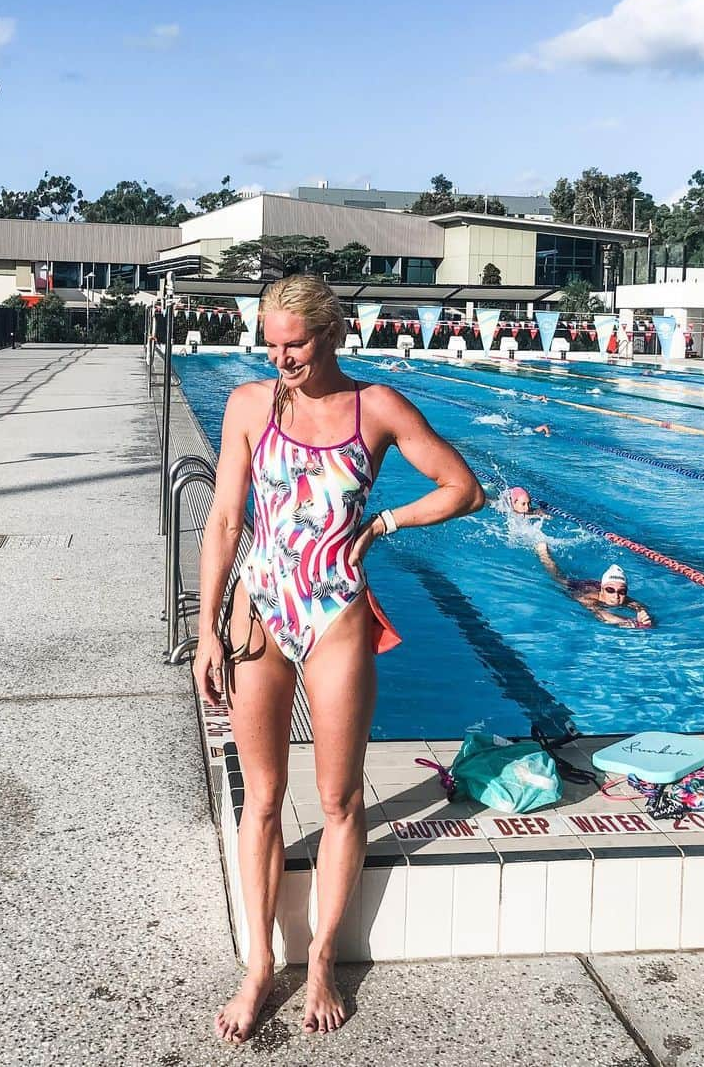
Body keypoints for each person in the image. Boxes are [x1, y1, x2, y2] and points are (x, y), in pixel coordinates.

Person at [193, 275, 484, 1043]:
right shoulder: (249, 405)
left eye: (296, 342)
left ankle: (320, 959)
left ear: (333, 334)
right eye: (272, 341)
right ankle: (259, 965)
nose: (281, 356)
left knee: (339, 799)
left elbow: (464, 489)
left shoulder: (377, 408)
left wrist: (386, 521)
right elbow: (225, 519)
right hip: (261, 608)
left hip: (335, 617)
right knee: (261, 797)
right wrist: (207, 629)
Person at [535, 543, 653, 628]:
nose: (616, 595)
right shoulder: (587, 599)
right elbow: (602, 614)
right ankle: (544, 554)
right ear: (602, 590)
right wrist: (630, 622)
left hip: (595, 584)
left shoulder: (622, 597)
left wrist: (643, 614)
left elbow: (641, 607)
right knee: (559, 578)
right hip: (577, 587)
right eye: (610, 590)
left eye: (621, 592)